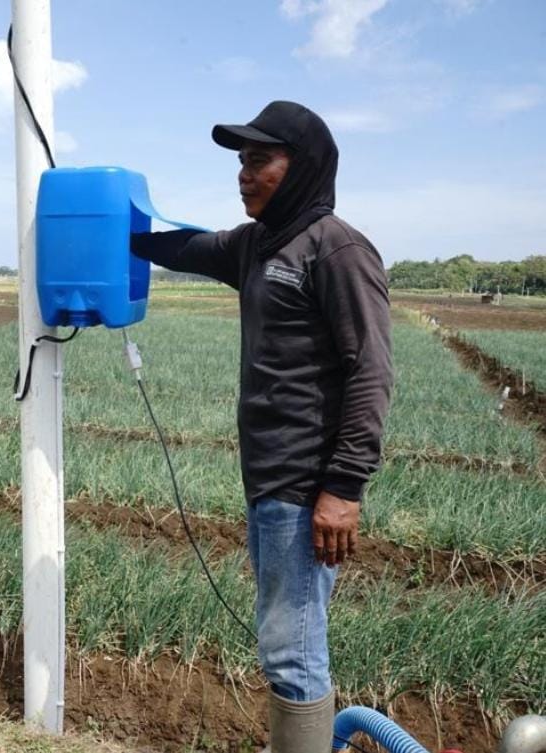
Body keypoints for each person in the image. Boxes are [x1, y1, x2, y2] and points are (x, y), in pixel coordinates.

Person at [130, 101, 394, 753]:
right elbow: (187, 246)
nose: (243, 174)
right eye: (240, 162)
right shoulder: (257, 244)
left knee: (292, 650)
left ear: (300, 167)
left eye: (259, 160)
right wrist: (115, 229)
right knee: (287, 640)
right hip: (272, 485)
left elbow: (371, 372)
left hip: (307, 489)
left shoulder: (337, 248)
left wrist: (343, 488)